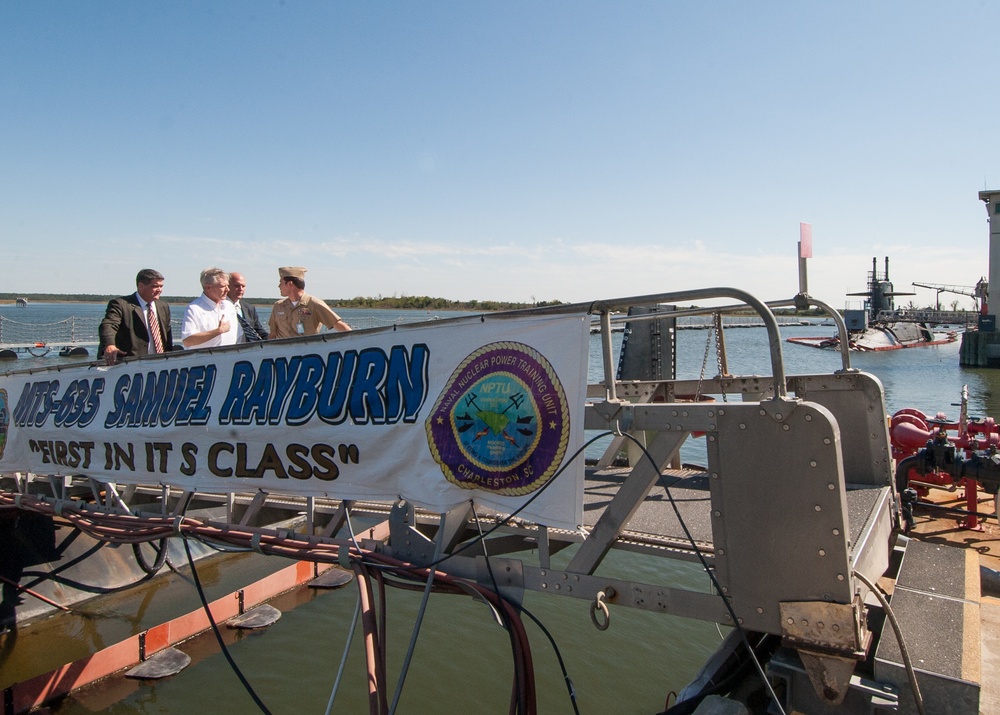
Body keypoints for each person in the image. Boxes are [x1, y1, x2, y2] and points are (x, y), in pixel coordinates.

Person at [98, 268, 173, 365]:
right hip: (131, 365)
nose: (159, 290)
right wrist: (110, 345)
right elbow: (108, 325)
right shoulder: (120, 304)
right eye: (155, 286)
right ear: (141, 286)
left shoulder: (163, 306)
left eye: (161, 286)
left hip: (159, 365)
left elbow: (167, 336)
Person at [268, 266, 351, 339]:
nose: (279, 286)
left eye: (281, 283)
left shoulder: (314, 304)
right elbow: (273, 334)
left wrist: (357, 342)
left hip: (306, 353)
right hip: (283, 354)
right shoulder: (278, 306)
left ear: (290, 284)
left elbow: (338, 325)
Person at [181, 268, 239, 349]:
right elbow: (187, 340)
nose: (228, 290)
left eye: (228, 286)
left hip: (230, 358)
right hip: (204, 360)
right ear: (208, 287)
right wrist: (219, 331)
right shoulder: (194, 309)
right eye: (223, 286)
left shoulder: (229, 306)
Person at [228, 272, 269, 342]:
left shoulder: (249, 309)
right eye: (237, 286)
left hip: (246, 351)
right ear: (227, 286)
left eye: (243, 286)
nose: (241, 289)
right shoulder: (218, 306)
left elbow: (260, 333)